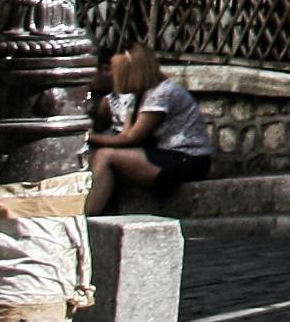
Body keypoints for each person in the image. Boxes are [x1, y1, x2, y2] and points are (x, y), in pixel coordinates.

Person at [86, 39, 213, 212]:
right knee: (95, 158)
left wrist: (88, 138)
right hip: (161, 154)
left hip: (186, 158)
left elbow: (131, 138)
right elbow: (124, 134)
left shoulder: (162, 93)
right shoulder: (139, 95)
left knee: (105, 156)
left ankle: (88, 216)